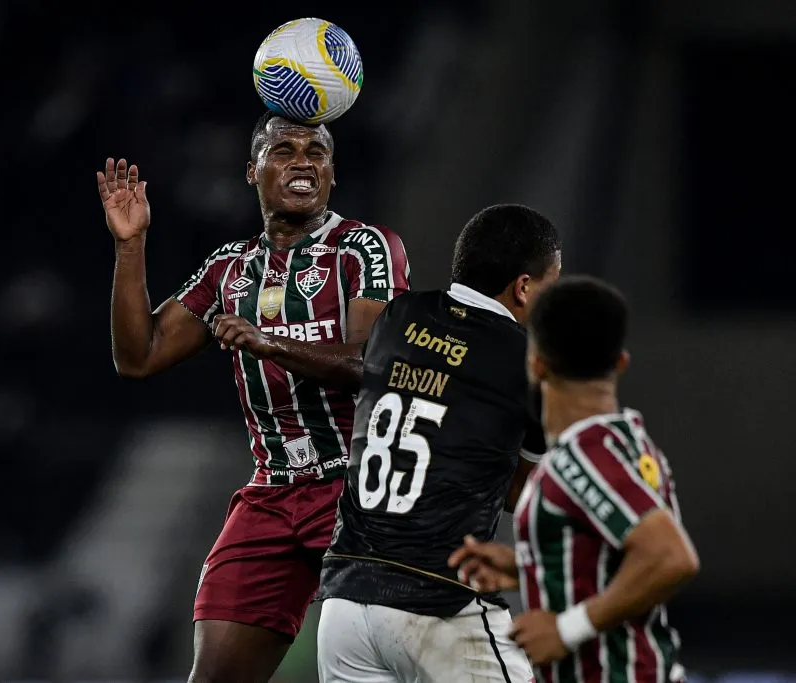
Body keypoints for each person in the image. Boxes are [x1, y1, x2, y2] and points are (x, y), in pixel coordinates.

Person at [97, 110, 410, 683]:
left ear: (332, 173)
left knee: (384, 667)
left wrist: (271, 344)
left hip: (359, 487)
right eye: (283, 150)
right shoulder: (229, 268)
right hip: (272, 495)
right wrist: (131, 246)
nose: (302, 163)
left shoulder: (365, 248)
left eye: (316, 153)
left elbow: (375, 364)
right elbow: (138, 358)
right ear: (252, 171)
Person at [317, 204, 562, 683]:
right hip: (438, 603)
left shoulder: (397, 316)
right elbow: (537, 492)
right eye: (553, 280)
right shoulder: (528, 360)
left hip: (344, 602)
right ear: (525, 286)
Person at [449, 276, 700, 683]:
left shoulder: (582, 456)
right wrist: (532, 566)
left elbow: (671, 556)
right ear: (620, 362)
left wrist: (567, 629)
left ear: (536, 363)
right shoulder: (631, 444)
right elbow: (612, 557)